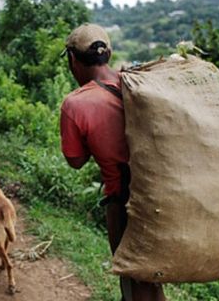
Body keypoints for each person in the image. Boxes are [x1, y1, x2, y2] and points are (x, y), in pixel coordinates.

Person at [59, 23, 166, 301]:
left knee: (135, 280)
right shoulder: (139, 83)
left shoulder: (75, 104)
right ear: (109, 53)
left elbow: (76, 160)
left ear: (72, 59)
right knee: (153, 281)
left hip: (125, 202)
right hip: (165, 194)